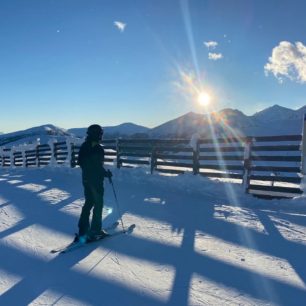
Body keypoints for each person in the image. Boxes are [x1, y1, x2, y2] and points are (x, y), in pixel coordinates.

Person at [76, 124, 112, 242]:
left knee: (89, 202)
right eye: (100, 133)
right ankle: (95, 231)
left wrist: (101, 172)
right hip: (95, 182)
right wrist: (104, 173)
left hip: (86, 179)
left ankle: (83, 229)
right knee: (98, 204)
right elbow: (97, 166)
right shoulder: (97, 148)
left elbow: (81, 162)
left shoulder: (84, 146)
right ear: (95, 134)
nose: (101, 135)